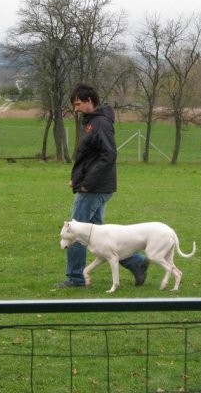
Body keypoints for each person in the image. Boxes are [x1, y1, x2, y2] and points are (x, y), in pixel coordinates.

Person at [55, 83, 149, 288]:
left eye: (78, 104)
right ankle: (137, 263)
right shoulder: (90, 122)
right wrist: (77, 179)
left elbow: (109, 155)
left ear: (90, 101)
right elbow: (89, 156)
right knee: (98, 235)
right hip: (92, 185)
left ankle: (75, 277)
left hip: (95, 188)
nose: (75, 108)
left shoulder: (101, 124)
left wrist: (87, 184)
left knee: (76, 231)